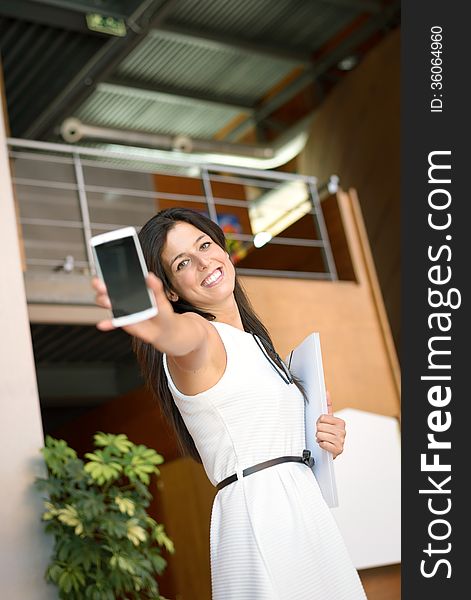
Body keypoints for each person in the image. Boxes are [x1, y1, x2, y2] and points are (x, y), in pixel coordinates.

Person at [92, 207, 367, 600]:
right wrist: (160, 325)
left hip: (301, 507)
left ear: (222, 247)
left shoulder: (256, 344)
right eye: (184, 262)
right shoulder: (200, 336)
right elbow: (181, 336)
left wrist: (322, 443)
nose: (204, 261)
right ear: (170, 290)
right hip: (261, 515)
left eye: (205, 244)